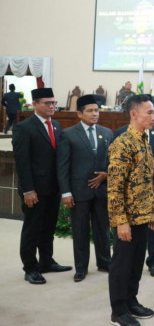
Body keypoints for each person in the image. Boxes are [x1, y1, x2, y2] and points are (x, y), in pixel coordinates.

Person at [107, 94, 154, 326]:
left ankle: (131, 300)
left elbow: (147, 181)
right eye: (149, 113)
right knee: (122, 265)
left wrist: (152, 213)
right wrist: (121, 221)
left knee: (137, 262)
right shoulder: (123, 143)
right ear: (133, 114)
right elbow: (115, 187)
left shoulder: (144, 140)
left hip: (142, 216)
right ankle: (118, 310)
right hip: (127, 218)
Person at [13, 87, 72, 285]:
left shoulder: (55, 125)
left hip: (53, 188)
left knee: (48, 227)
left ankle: (46, 261)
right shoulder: (24, 127)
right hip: (35, 190)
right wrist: (28, 190)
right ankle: (30, 267)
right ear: (35, 104)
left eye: (54, 103)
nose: (52, 106)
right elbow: (22, 162)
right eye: (47, 103)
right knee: (32, 228)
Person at [114, 101, 154, 279]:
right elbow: (116, 180)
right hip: (131, 198)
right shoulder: (121, 136)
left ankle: (153, 260)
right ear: (134, 114)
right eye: (149, 113)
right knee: (130, 239)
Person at [57, 95, 112, 282]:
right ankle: (81, 267)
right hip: (79, 191)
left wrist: (106, 175)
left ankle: (104, 262)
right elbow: (63, 166)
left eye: (96, 110)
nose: (94, 114)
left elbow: (112, 162)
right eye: (90, 111)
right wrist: (66, 192)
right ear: (80, 113)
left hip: (101, 190)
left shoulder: (106, 133)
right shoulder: (69, 134)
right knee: (80, 231)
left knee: (102, 229)